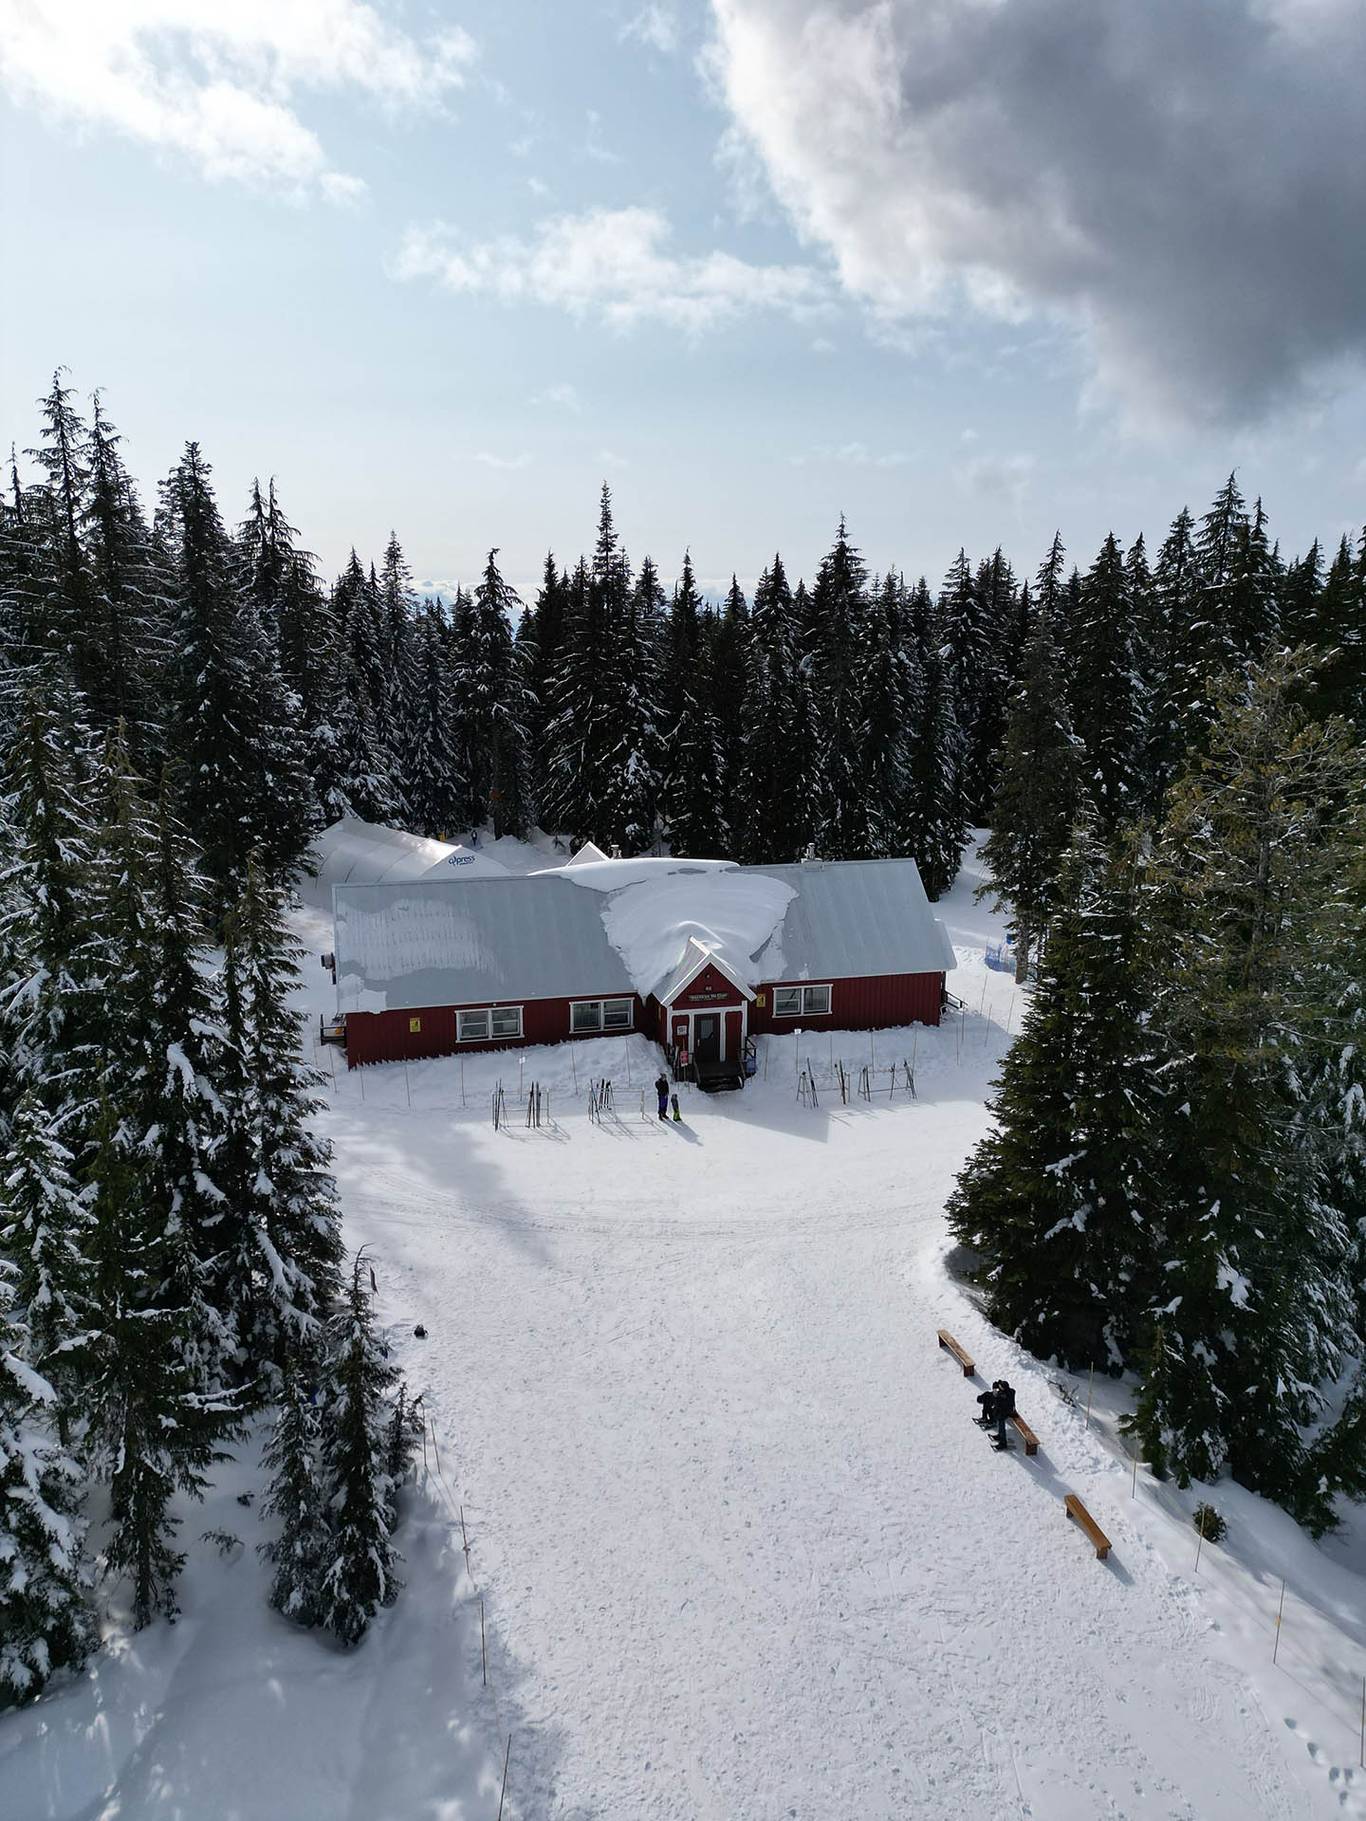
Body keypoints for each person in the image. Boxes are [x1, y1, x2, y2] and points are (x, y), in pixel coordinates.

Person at [992, 1379, 1016, 1451]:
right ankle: (999, 1435)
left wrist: (995, 1396)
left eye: (1000, 1387)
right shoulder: (1009, 1391)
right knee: (1000, 1425)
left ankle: (1003, 1443)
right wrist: (999, 1384)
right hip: (1005, 1411)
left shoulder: (1004, 1395)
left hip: (1004, 1412)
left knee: (1002, 1427)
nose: (999, 1388)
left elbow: (998, 1404)